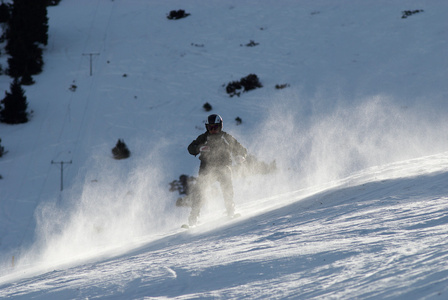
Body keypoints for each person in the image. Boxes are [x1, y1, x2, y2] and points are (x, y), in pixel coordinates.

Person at [187, 114, 247, 226]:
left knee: (227, 186)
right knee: (200, 190)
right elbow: (190, 148)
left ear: (220, 126)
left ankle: (230, 210)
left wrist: (240, 155)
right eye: (210, 127)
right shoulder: (203, 138)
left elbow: (240, 148)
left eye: (215, 127)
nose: (213, 130)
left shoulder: (226, 137)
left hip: (223, 167)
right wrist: (198, 148)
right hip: (206, 169)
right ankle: (193, 217)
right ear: (207, 127)